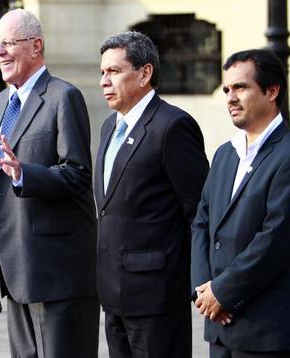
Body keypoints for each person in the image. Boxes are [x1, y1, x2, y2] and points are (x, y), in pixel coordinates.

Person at [0, 9, 100, 357]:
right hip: (13, 273)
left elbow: (79, 174)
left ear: (36, 45)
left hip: (55, 275)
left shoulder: (62, 97)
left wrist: (25, 173)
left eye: (8, 43)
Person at [191, 49, 290, 357]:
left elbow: (275, 241)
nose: (230, 97)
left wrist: (222, 292)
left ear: (272, 90)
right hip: (219, 328)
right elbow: (202, 223)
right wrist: (203, 291)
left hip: (269, 333)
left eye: (241, 87)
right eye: (227, 89)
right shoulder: (224, 154)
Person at [95, 31, 209, 358]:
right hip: (113, 291)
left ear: (145, 74)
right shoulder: (109, 126)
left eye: (114, 72)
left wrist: (199, 281)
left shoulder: (172, 126)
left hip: (156, 294)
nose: (104, 81)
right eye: (102, 72)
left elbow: (200, 210)